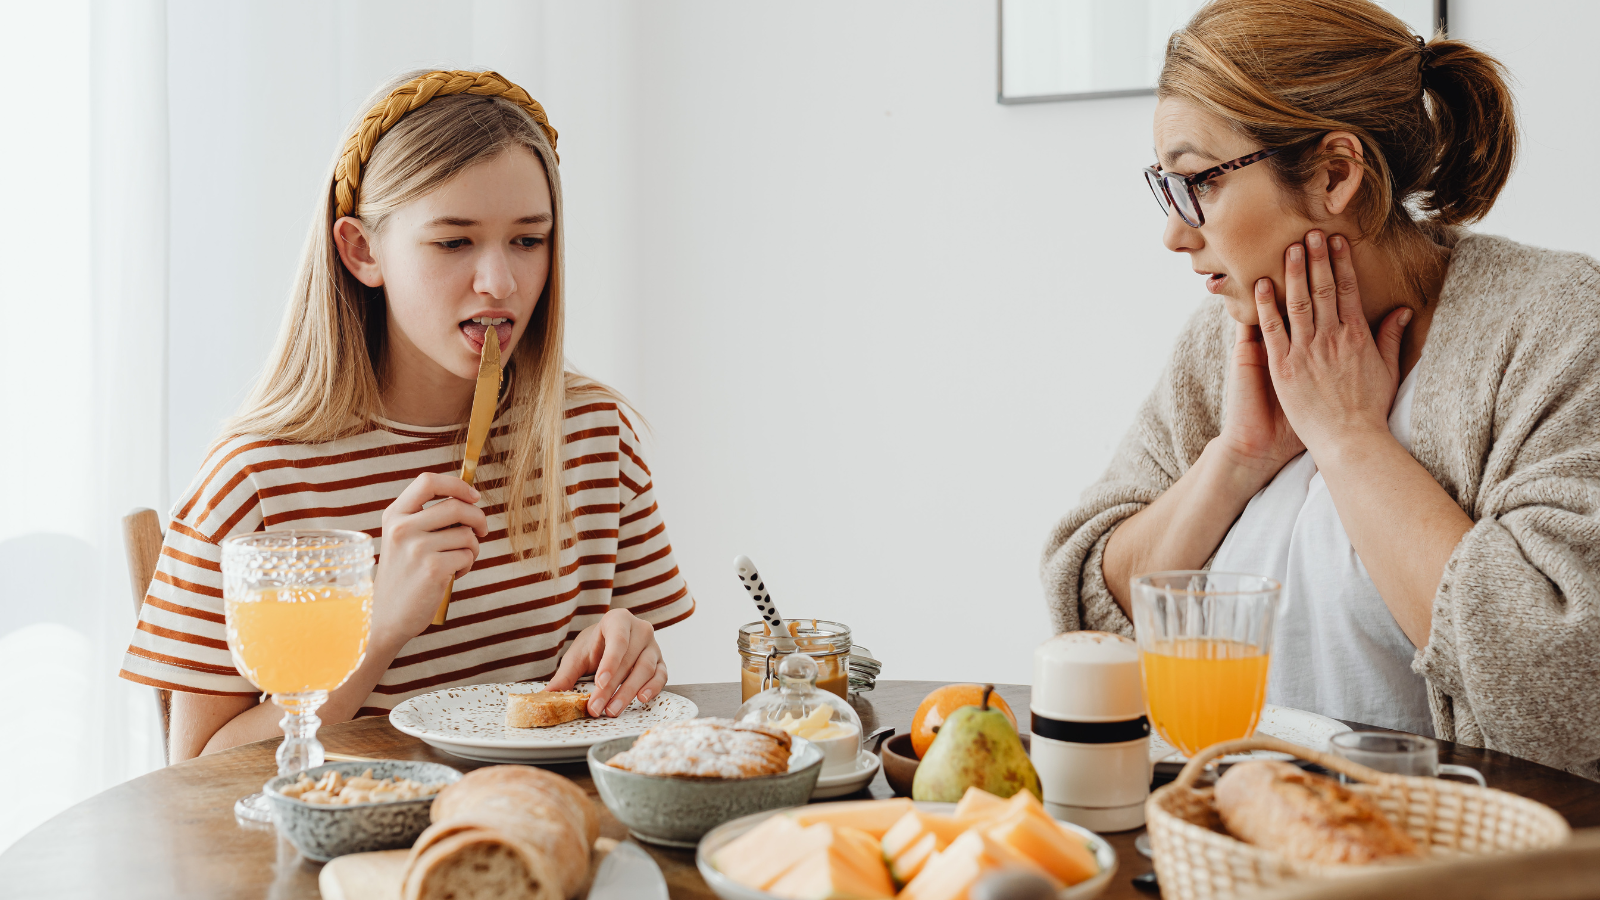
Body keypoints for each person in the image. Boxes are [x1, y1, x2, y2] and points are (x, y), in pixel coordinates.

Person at [1042, 0, 1600, 779]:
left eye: (1195, 181)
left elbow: (1563, 677)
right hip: (1212, 846)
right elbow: (1088, 598)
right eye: (1164, 187)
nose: (1174, 232)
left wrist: (1349, 439)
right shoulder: (1224, 339)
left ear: (1336, 173)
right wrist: (1236, 458)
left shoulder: (1558, 325)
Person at [120, 70, 695, 762]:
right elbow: (198, 775)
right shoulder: (257, 482)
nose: (501, 283)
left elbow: (632, 702)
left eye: (528, 240)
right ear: (363, 251)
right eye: (454, 243)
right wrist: (380, 622)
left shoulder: (595, 436)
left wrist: (630, 649)